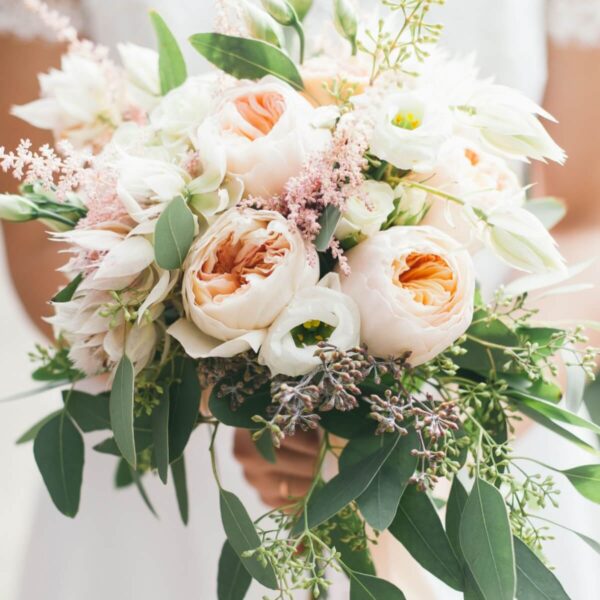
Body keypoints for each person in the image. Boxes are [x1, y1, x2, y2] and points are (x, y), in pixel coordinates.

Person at [1, 0, 599, 598]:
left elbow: (586, 224)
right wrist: (244, 402)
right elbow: (39, 253)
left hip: (448, 436)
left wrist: (444, 418)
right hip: (176, 446)